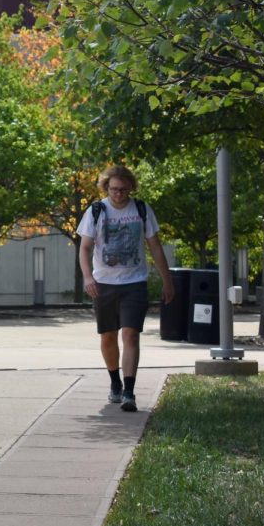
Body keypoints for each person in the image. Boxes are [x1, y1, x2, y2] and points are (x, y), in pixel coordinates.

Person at [78, 164, 174, 413]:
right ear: (106, 188)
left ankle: (129, 392)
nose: (118, 194)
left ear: (131, 187)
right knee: (108, 336)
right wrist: (88, 277)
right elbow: (85, 248)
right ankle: (115, 383)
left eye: (123, 189)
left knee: (131, 334)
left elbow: (155, 247)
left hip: (134, 282)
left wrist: (167, 280)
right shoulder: (96, 211)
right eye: (113, 189)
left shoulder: (142, 210)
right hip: (104, 283)